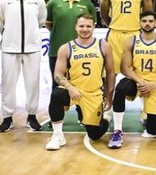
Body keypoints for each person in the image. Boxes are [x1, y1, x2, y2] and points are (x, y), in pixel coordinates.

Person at [108, 11, 156, 148]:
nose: (147, 24)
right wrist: (140, 81)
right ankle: (117, 130)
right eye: (144, 21)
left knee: (152, 132)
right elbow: (125, 68)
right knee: (121, 88)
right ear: (139, 23)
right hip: (137, 81)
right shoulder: (131, 41)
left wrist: (154, 84)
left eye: (151, 21)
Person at [47, 14, 115, 150]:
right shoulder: (66, 48)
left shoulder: (104, 45)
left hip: (93, 94)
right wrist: (70, 87)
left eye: (88, 26)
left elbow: (111, 73)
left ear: (94, 27)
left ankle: (106, 117)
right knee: (56, 95)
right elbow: (58, 75)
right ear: (76, 27)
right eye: (81, 26)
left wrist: (108, 96)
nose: (85, 29)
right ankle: (58, 136)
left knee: (94, 135)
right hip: (74, 91)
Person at [0, 0, 48, 132]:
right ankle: (7, 117)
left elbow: (41, 20)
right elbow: (0, 22)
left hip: (32, 49)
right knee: (8, 84)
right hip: (10, 49)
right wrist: (11, 36)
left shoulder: (37, 0)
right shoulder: (3, 1)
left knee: (32, 84)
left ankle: (31, 116)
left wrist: (30, 36)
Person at [100, 0, 153, 75]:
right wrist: (111, 23)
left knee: (136, 69)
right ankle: (111, 93)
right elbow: (103, 13)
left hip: (135, 33)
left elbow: (148, 14)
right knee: (111, 70)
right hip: (115, 34)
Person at [46, 0, 97, 79]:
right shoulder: (53, 4)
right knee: (58, 86)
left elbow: (91, 27)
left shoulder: (88, 4)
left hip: (81, 52)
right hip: (56, 51)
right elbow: (48, 24)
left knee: (80, 83)